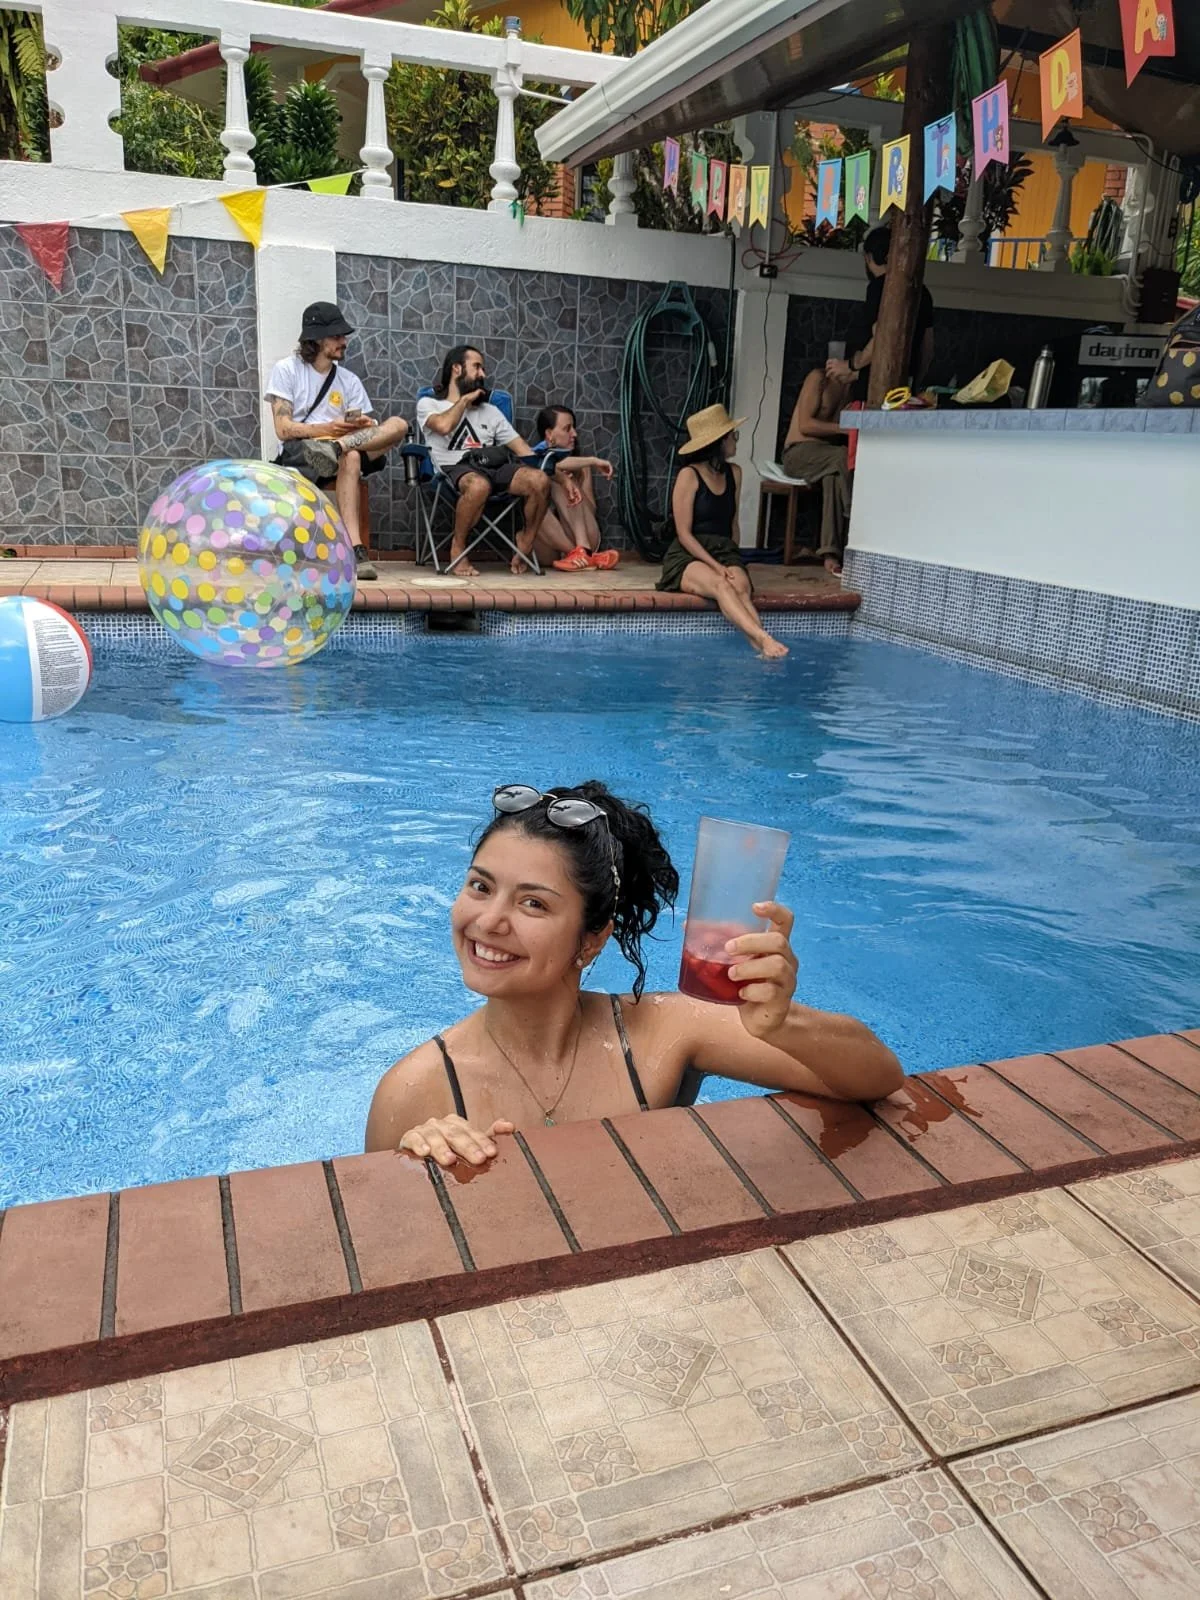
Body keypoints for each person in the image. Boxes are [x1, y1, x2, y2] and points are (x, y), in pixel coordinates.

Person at [365, 782, 903, 1163]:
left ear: (593, 939)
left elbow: (879, 1076)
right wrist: (417, 1165)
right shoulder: (415, 1092)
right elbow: (379, 1253)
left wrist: (783, 1025)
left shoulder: (661, 1034)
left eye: (533, 904)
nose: (487, 922)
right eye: (480, 887)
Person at [265, 302, 409, 581]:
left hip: (343, 444)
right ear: (316, 339)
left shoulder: (349, 380)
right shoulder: (287, 370)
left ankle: (337, 448)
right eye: (337, 336)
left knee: (399, 425)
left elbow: (367, 426)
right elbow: (282, 429)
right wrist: (327, 428)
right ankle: (356, 549)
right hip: (304, 450)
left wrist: (361, 425)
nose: (344, 341)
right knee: (352, 456)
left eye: (343, 335)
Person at [655, 404, 789, 661]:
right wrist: (716, 566)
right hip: (688, 554)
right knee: (720, 585)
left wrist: (733, 560)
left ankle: (764, 651)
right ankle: (763, 639)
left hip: (723, 549)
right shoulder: (689, 476)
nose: (735, 440)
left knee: (740, 586)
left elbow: (733, 522)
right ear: (719, 442)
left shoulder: (735, 473)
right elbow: (684, 534)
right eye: (732, 435)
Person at [417, 346, 563, 578]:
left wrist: (562, 476)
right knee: (478, 485)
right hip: (452, 470)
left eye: (483, 369)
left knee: (538, 479)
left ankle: (525, 540)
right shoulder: (429, 404)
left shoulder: (492, 411)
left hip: (490, 465)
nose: (483, 374)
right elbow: (443, 427)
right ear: (456, 368)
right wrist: (465, 401)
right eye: (477, 367)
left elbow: (524, 451)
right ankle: (458, 548)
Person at [826, 225, 934, 399]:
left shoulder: (879, 288)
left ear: (869, 257)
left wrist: (852, 365)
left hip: (875, 390)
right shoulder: (922, 291)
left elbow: (882, 336)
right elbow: (927, 348)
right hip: (906, 386)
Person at [781, 367, 857, 574]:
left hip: (825, 457)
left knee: (832, 477)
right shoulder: (818, 379)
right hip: (798, 454)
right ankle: (853, 518)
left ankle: (830, 552)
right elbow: (805, 425)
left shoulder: (849, 390)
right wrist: (844, 428)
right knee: (842, 456)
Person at [531, 406, 620, 572]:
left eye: (574, 428)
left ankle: (583, 552)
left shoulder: (582, 466)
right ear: (549, 434)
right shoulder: (534, 458)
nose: (574, 434)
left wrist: (576, 483)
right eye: (567, 429)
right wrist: (593, 461)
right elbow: (551, 465)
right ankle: (584, 556)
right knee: (553, 479)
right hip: (549, 545)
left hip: (584, 535)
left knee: (563, 482)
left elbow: (591, 510)